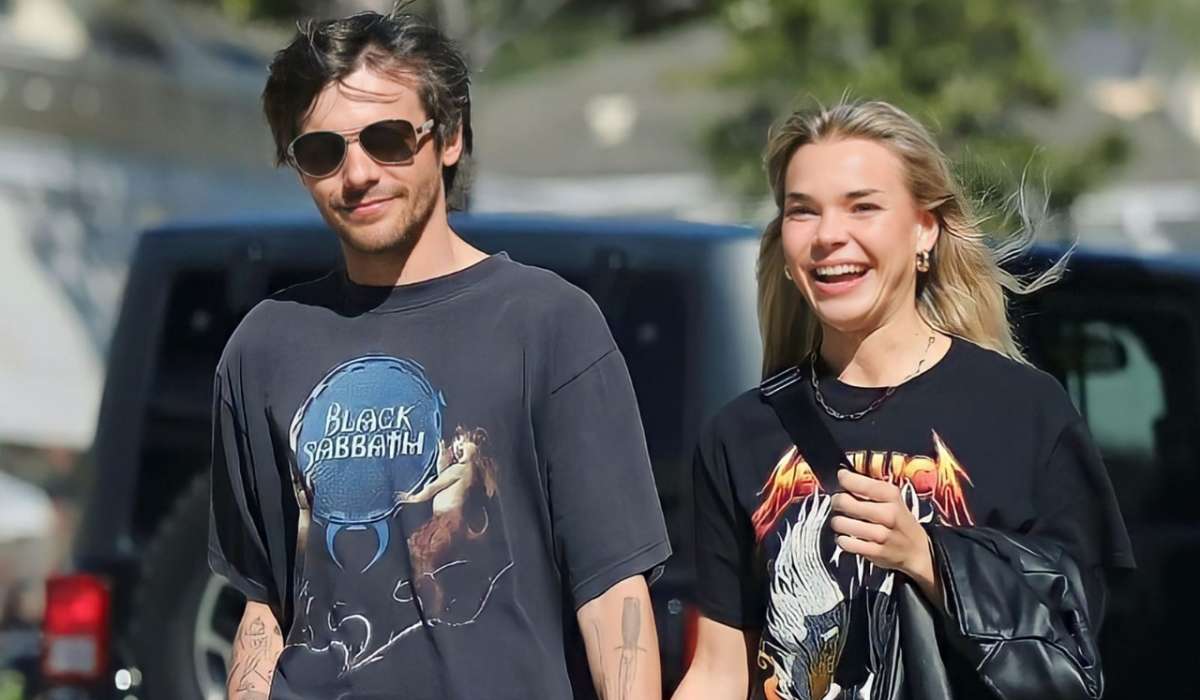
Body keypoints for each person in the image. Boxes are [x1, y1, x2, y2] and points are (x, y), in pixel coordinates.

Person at [207, 8, 670, 700]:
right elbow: (265, 604)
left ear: (448, 137)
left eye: (388, 139)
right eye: (321, 151)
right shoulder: (263, 347)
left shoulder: (549, 324)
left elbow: (613, 597)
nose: (357, 174)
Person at [672, 100, 1135, 699]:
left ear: (925, 230)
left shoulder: (1024, 412)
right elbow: (719, 671)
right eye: (803, 211)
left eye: (862, 206)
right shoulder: (741, 433)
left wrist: (928, 557)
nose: (828, 235)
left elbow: (1075, 639)